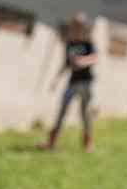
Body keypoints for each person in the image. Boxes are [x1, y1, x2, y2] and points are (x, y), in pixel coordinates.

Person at [40, 12, 97, 152]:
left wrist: (82, 61)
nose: (78, 28)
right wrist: (56, 79)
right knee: (62, 111)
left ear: (84, 27)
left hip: (85, 83)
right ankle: (52, 142)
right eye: (75, 25)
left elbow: (95, 58)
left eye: (80, 25)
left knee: (84, 113)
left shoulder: (88, 43)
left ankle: (88, 143)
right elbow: (65, 64)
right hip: (72, 82)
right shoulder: (70, 44)